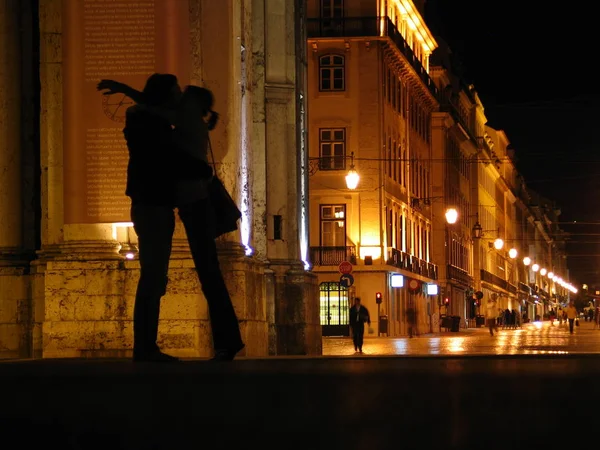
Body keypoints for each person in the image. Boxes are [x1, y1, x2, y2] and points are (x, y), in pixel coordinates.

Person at [98, 76, 244, 361]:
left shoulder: (176, 117)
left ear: (191, 104)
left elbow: (152, 108)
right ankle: (224, 342)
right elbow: (152, 110)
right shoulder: (172, 117)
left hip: (191, 203)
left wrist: (127, 91)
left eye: (183, 93)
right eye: (176, 91)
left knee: (201, 273)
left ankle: (224, 341)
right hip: (183, 203)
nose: (179, 95)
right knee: (200, 273)